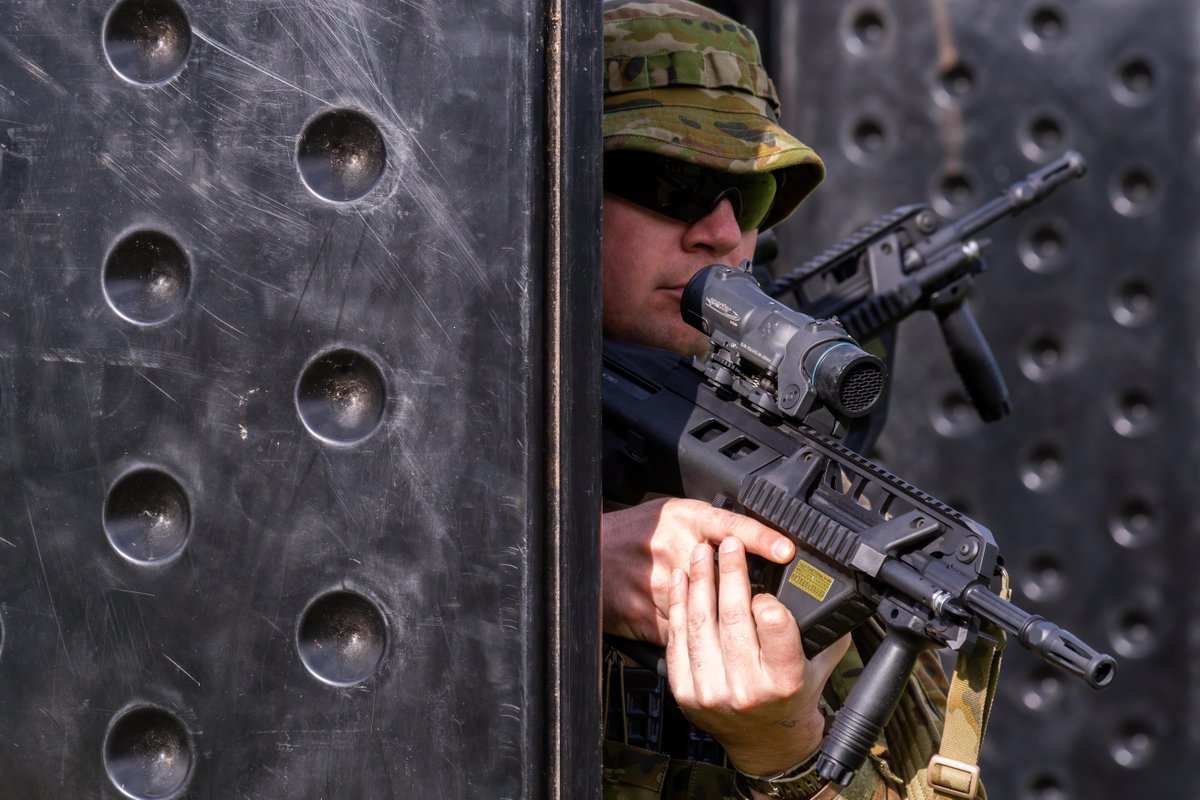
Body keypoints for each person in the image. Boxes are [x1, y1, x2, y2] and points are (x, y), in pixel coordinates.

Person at [597, 3, 986, 799]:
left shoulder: (772, 477)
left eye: (752, 196)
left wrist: (783, 750)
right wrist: (557, 571)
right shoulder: (423, 427)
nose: (721, 232)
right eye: (674, 182)